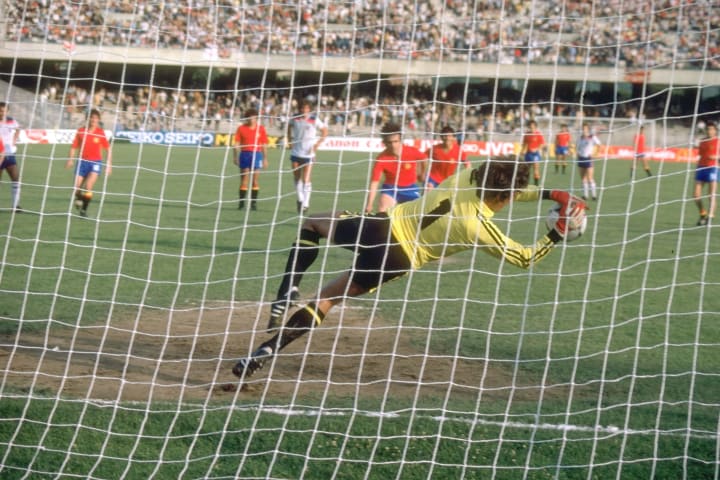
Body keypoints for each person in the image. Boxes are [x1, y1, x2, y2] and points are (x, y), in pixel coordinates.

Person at [233, 159, 588, 379]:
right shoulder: (480, 227)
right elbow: (525, 257)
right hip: (397, 261)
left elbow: (508, 186)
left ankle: (286, 291)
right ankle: (266, 350)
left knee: (313, 224)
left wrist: (550, 193)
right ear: (507, 196)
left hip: (381, 228)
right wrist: (555, 232)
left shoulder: (466, 176)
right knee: (329, 299)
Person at [365, 122, 427, 214]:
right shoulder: (381, 158)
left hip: (410, 188)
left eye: (395, 141)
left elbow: (424, 159)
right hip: (390, 189)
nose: (393, 145)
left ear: (400, 140)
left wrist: (422, 173)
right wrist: (369, 204)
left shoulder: (411, 151)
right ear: (384, 143)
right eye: (389, 142)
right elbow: (374, 182)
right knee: (382, 213)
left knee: (416, 214)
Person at [65, 109, 112, 217]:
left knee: (88, 186)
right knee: (76, 189)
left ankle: (84, 210)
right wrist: (70, 159)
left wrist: (109, 165)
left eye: (96, 118)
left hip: (95, 163)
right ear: (87, 118)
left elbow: (108, 149)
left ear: (98, 120)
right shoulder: (81, 131)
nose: (94, 120)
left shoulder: (100, 133)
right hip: (82, 163)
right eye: (92, 117)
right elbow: (73, 147)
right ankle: (79, 199)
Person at [288, 100, 328, 214]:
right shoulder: (295, 118)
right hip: (296, 152)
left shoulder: (314, 119)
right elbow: (288, 127)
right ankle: (300, 199)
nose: (303, 110)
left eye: (306, 108)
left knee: (306, 179)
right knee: (296, 177)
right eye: (302, 108)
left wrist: (317, 144)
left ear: (309, 109)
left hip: (308, 153)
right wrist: (289, 139)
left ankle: (306, 203)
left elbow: (325, 131)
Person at [233, 108, 268, 211]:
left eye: (254, 117)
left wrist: (265, 158)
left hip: (257, 155)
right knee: (244, 180)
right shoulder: (241, 128)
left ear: (256, 118)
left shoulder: (261, 129)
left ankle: (253, 203)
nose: (252, 119)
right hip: (245, 154)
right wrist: (235, 156)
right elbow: (236, 144)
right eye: (250, 117)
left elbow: (264, 145)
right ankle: (241, 203)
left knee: (255, 181)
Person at [424, 125, 470, 189]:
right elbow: (422, 157)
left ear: (453, 138)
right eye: (445, 136)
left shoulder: (458, 150)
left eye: (449, 136)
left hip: (448, 180)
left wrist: (468, 175)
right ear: (441, 137)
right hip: (433, 178)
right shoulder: (434, 149)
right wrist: (422, 172)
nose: (447, 138)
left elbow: (467, 163)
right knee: (428, 189)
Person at [694, 122, 719, 226]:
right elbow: (700, 155)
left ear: (715, 131)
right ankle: (703, 213)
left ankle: (710, 216)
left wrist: (716, 158)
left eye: (712, 129)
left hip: (713, 168)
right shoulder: (703, 141)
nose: (710, 131)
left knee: (711, 195)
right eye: (708, 129)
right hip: (701, 168)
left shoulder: (718, 141)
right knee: (696, 196)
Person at [0, 102, 22, 212]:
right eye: (0, 111)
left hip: (9, 154)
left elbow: (18, 129)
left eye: (4, 111)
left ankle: (15, 206)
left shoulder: (11, 120)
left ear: (7, 111)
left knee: (16, 178)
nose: (2, 113)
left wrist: (14, 140)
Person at [576, 123, 601, 201]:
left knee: (590, 178)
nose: (584, 130)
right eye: (583, 129)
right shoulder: (580, 138)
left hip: (589, 158)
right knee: (583, 178)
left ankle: (594, 195)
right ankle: (585, 195)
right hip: (581, 158)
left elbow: (599, 144)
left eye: (585, 129)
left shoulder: (592, 137)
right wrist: (578, 154)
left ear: (588, 129)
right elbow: (577, 147)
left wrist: (595, 153)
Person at [520, 120, 545, 186]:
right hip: (528, 154)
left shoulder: (538, 134)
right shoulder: (526, 134)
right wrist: (522, 151)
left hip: (535, 154)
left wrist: (537, 149)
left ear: (536, 127)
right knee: (526, 170)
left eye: (533, 127)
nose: (532, 129)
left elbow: (542, 144)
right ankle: (526, 184)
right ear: (529, 127)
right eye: (531, 127)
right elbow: (524, 144)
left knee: (536, 169)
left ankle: (536, 184)